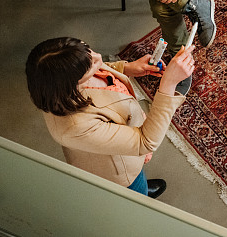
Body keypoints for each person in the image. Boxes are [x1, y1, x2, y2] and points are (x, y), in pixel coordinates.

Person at [25, 37, 195, 197]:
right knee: (135, 192)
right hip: (120, 171)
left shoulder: (60, 80)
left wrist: (127, 68)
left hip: (124, 141)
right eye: (91, 67)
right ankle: (140, 193)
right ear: (72, 84)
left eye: (88, 49)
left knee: (139, 176)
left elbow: (95, 65)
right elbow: (145, 142)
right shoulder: (74, 127)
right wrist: (169, 84)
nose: (98, 57)